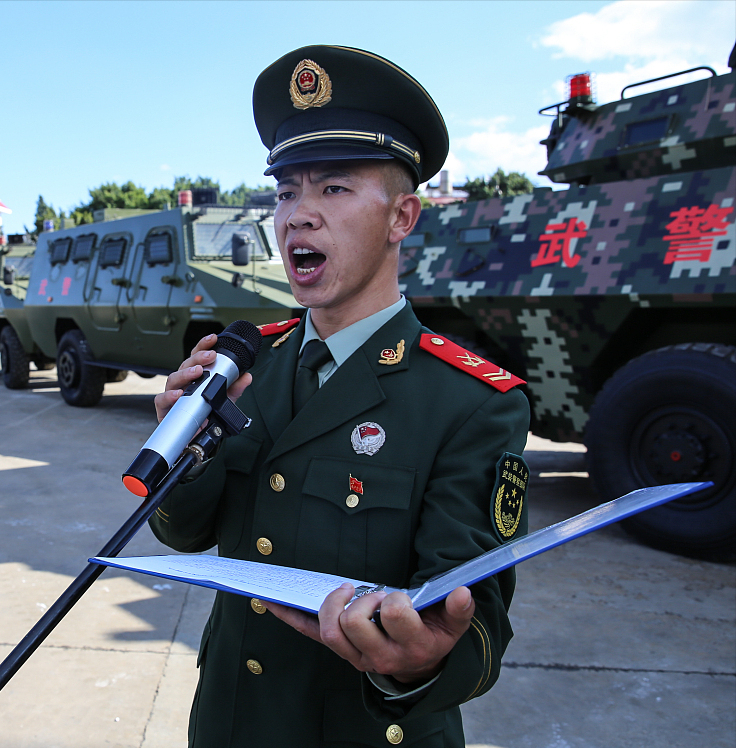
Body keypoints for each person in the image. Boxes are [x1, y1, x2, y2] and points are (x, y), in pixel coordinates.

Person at [148, 46, 531, 747]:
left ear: (402, 218)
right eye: (287, 191)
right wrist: (186, 458)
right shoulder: (245, 364)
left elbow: (479, 626)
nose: (298, 215)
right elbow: (187, 534)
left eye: (334, 189)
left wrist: (417, 665)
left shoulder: (471, 402)